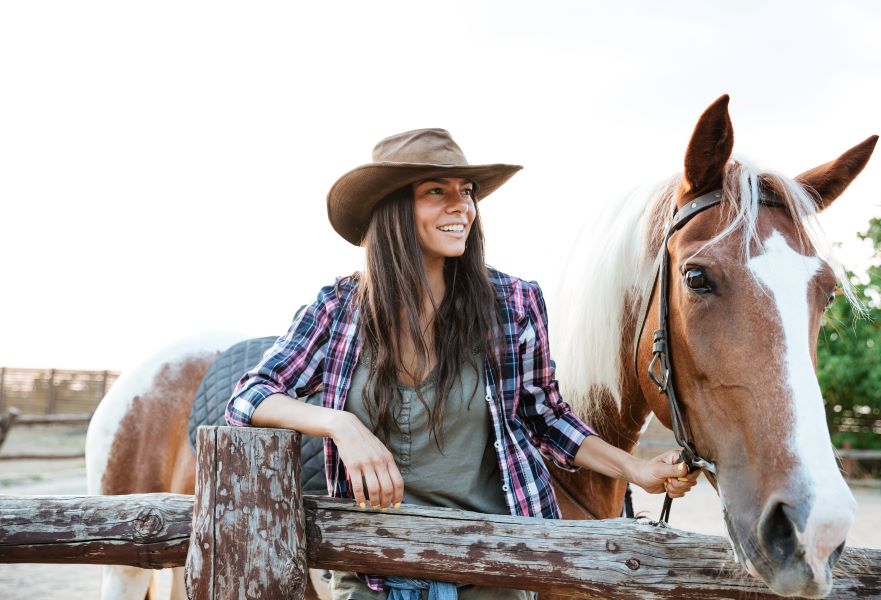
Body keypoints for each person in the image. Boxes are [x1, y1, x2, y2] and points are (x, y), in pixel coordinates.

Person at [224, 128, 699, 599]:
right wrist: (341, 425)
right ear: (392, 209)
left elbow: (547, 417)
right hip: (372, 570)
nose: (462, 206)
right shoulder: (337, 308)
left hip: (491, 566)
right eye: (437, 191)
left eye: (467, 192)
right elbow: (249, 397)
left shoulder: (512, 303)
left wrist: (635, 471)